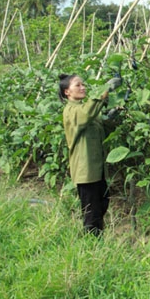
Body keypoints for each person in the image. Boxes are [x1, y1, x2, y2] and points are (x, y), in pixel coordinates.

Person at [58, 73, 122, 236]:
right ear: (67, 92)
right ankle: (92, 243)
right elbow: (87, 114)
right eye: (78, 85)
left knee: (102, 202)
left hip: (96, 169)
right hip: (85, 170)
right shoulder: (71, 111)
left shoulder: (83, 110)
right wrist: (105, 89)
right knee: (91, 211)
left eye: (83, 84)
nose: (83, 87)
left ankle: (97, 237)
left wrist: (112, 116)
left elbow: (100, 125)